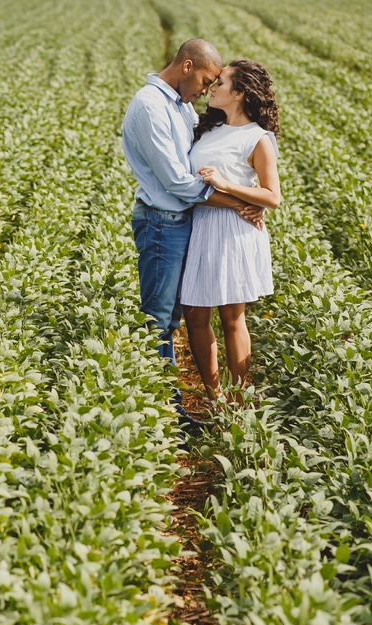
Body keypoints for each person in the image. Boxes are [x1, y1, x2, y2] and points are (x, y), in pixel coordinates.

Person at [122, 39, 265, 429]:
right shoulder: (151, 106)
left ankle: (181, 409)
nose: (205, 91)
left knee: (178, 316)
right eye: (205, 80)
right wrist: (236, 203)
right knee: (160, 319)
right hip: (161, 223)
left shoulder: (180, 106)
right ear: (187, 66)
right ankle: (167, 415)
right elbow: (177, 180)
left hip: (187, 223)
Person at [182, 59, 281, 405]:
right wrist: (236, 200)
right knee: (194, 315)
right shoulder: (209, 127)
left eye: (220, 83)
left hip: (232, 233)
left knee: (231, 318)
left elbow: (272, 196)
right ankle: (214, 397)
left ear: (238, 93)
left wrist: (226, 185)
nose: (212, 88)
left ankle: (237, 399)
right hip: (200, 225)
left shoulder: (257, 137)